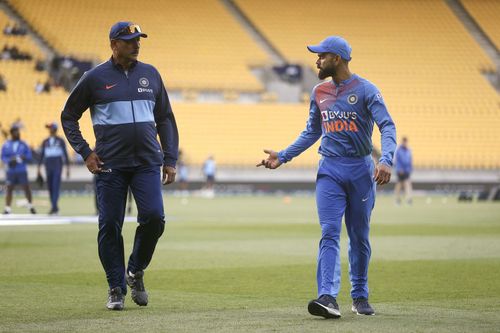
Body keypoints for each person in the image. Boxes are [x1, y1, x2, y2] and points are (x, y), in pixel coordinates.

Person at [257, 36, 396, 318]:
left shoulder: (367, 90)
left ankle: (359, 295)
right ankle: (328, 297)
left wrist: (386, 159)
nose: (316, 61)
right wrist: (282, 156)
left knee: (359, 237)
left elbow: (387, 126)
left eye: (321, 56)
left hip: (360, 171)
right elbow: (311, 131)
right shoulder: (318, 91)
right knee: (329, 232)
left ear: (338, 58)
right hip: (329, 170)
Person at [60, 21, 179, 311]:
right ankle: (116, 287)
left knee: (154, 218)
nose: (136, 44)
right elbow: (69, 116)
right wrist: (86, 152)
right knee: (110, 225)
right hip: (109, 165)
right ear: (114, 44)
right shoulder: (94, 78)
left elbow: (164, 117)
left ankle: (135, 270)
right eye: (129, 40)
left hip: (148, 162)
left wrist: (170, 158)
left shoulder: (151, 74)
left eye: (138, 39)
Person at [1, 125, 36, 214]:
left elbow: (29, 156)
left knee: (26, 188)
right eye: (15, 131)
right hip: (11, 170)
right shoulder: (6, 144)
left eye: (18, 131)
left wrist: (23, 157)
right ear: (12, 133)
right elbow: (3, 156)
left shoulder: (23, 144)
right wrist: (9, 161)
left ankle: (30, 205)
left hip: (21, 170)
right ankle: (7, 208)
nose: (18, 133)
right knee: (9, 188)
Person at [37, 122, 70, 215]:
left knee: (55, 186)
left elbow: (65, 154)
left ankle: (54, 207)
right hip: (48, 164)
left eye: (50, 128)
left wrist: (68, 168)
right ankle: (54, 207)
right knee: (50, 187)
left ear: (54, 129)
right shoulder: (45, 141)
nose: (49, 130)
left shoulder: (60, 141)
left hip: (57, 164)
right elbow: (41, 155)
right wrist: (38, 169)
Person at [394, 137, 413, 205]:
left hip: (407, 170)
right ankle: (397, 199)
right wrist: (399, 169)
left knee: (407, 184)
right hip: (400, 170)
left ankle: (409, 199)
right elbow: (397, 160)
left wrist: (410, 168)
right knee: (399, 184)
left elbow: (410, 160)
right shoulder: (399, 150)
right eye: (404, 142)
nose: (405, 143)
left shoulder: (408, 150)